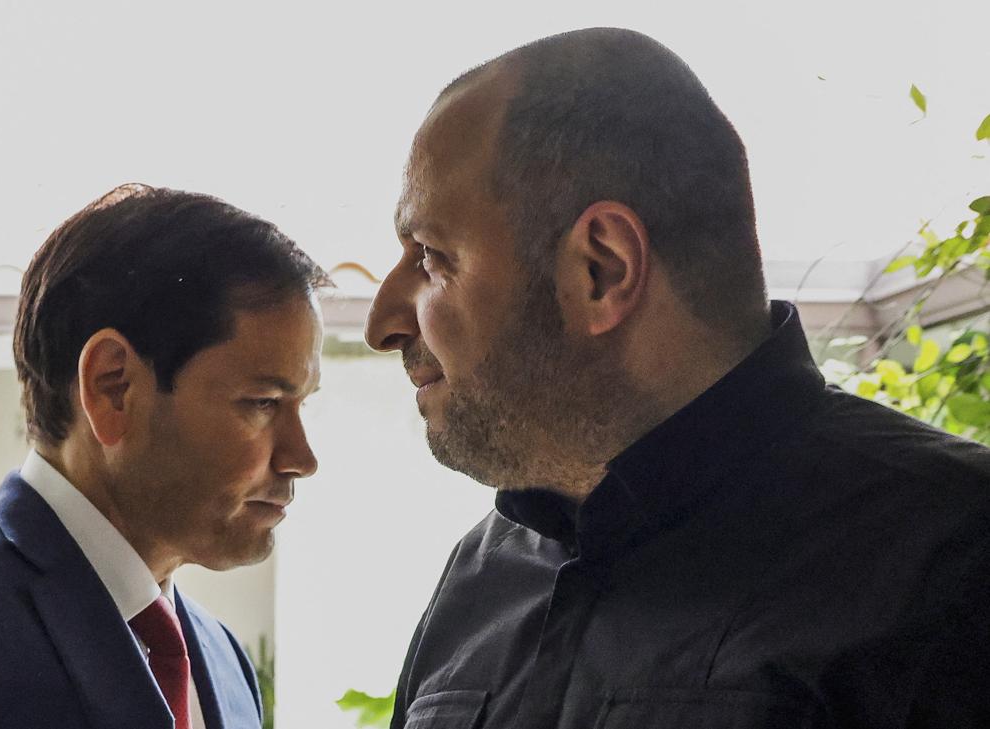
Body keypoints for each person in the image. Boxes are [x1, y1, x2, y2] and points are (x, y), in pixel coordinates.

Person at [365, 28, 990, 729]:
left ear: (603, 269)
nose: (381, 324)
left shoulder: (957, 556)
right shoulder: (478, 578)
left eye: (430, 257)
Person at [0, 184, 329, 728]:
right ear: (112, 385)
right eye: (263, 403)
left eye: (302, 405)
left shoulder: (225, 664)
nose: (302, 458)